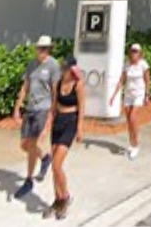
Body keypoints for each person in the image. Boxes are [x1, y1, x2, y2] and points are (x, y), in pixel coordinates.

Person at [12, 35, 60, 199]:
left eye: (44, 48)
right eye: (39, 48)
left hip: (43, 109)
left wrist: (52, 114)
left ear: (49, 50)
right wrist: (17, 107)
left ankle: (28, 180)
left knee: (33, 143)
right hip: (30, 109)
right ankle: (45, 158)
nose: (41, 51)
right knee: (24, 145)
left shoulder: (53, 65)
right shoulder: (32, 65)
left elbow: (55, 91)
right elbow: (25, 86)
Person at [45, 55, 85, 220]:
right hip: (58, 122)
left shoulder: (78, 84)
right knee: (54, 166)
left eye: (66, 68)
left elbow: (82, 107)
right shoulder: (58, 83)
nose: (64, 70)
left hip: (71, 122)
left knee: (56, 164)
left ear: (73, 69)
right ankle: (57, 199)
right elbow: (54, 105)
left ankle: (65, 197)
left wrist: (80, 128)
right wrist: (49, 123)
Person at [110, 43, 150, 160]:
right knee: (129, 121)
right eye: (132, 51)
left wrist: (146, 95)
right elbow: (122, 81)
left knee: (133, 118)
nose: (133, 53)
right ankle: (131, 143)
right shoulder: (127, 65)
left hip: (139, 94)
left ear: (140, 53)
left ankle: (136, 145)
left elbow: (147, 80)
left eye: (136, 51)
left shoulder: (143, 65)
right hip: (128, 95)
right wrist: (113, 96)